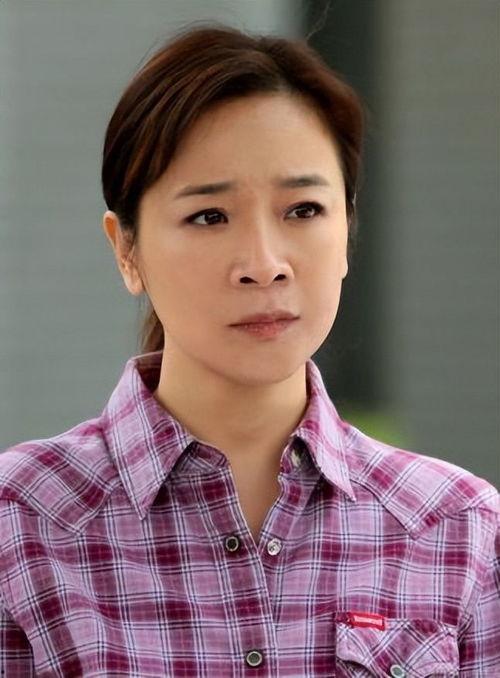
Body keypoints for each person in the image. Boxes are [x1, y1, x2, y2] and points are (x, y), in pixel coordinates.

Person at [0, 21, 498, 677]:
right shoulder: (21, 524)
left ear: (347, 230)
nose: (264, 265)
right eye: (209, 216)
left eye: (304, 210)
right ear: (126, 250)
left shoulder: (457, 528)